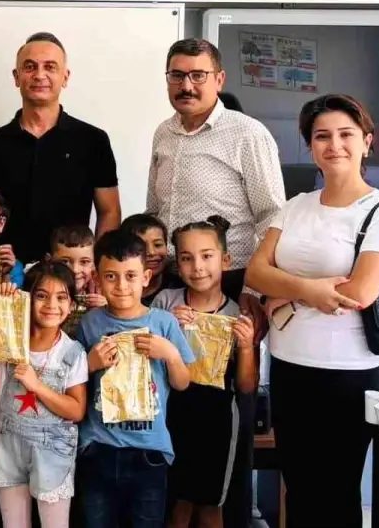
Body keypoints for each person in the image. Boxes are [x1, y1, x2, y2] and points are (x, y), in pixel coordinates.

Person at [245, 94, 379, 528]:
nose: (334, 145)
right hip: (289, 366)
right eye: (322, 136)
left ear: (366, 142)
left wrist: (284, 294)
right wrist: (308, 289)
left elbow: (360, 293)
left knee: (335, 492)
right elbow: (257, 272)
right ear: (310, 146)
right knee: (299, 489)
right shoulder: (295, 205)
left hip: (348, 374)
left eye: (345, 134)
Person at [74, 230, 194, 528]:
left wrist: (170, 354)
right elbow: (72, 382)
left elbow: (182, 383)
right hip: (99, 446)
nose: (121, 286)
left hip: (149, 451)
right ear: (97, 278)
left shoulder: (163, 322)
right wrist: (89, 364)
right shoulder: (89, 323)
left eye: (130, 276)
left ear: (146, 277)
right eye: (111, 276)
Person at [146, 38, 285, 295]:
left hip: (230, 279)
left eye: (198, 76)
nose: (186, 86)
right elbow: (154, 210)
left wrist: (254, 290)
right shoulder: (163, 132)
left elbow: (272, 219)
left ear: (219, 80)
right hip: (169, 278)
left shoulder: (248, 133)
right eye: (177, 75)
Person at [0, 32, 121, 264]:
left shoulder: (93, 141)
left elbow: (109, 212)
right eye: (30, 67)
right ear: (16, 76)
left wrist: (96, 267)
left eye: (50, 67)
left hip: (71, 274)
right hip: (5, 272)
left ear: (65, 77)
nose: (40, 75)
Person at [153, 217, 260, 528]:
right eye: (187, 258)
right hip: (171, 416)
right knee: (177, 507)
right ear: (177, 265)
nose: (197, 267)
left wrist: (246, 346)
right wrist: (168, 326)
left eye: (206, 256)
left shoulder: (237, 314)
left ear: (225, 260)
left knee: (211, 508)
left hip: (218, 421)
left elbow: (246, 386)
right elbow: (146, 361)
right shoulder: (165, 304)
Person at [0, 262, 88, 528]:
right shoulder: (7, 339)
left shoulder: (72, 352)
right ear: (27, 299)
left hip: (53, 449)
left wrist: (37, 386)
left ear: (72, 304)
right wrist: (1, 297)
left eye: (61, 297)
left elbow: (77, 410)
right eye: (41, 296)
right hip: (9, 444)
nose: (51, 305)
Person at [49, 225, 106, 336]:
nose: (75, 270)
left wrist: (106, 311)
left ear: (94, 264)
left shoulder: (102, 293)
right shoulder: (42, 292)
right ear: (50, 260)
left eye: (84, 262)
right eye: (65, 261)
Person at [119, 213, 170, 305]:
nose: (151, 252)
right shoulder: (116, 286)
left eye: (158, 245)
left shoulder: (177, 287)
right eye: (142, 246)